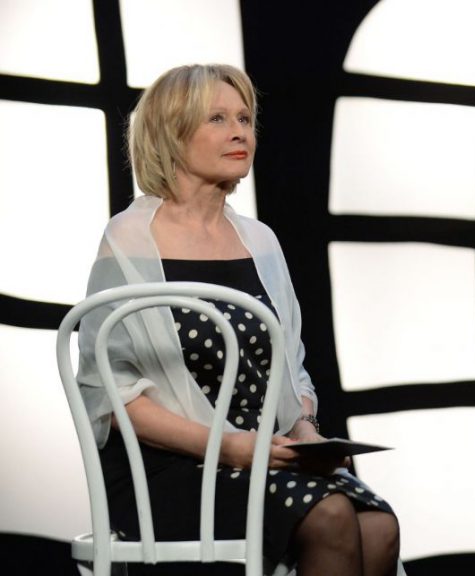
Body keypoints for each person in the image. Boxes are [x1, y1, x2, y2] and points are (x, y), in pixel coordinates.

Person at [76, 64, 399, 575]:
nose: (239, 132)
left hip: (265, 454)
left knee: (378, 523)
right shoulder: (130, 241)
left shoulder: (260, 240)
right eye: (218, 119)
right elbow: (112, 397)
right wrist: (229, 447)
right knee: (330, 515)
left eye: (245, 119)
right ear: (171, 133)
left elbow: (290, 368)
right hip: (171, 467)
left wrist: (305, 431)